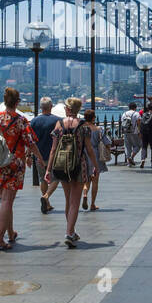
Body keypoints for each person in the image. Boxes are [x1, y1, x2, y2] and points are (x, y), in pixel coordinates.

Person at [0, 87, 44, 251]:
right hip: (14, 164)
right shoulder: (20, 121)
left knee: (6, 200)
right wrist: (39, 158)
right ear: (17, 102)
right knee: (7, 201)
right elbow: (30, 142)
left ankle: (10, 233)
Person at [45, 97, 97, 247]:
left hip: (62, 166)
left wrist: (48, 169)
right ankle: (69, 233)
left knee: (68, 200)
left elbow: (53, 150)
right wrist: (95, 166)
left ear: (67, 109)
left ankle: (71, 231)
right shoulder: (83, 126)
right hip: (79, 167)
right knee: (75, 202)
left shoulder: (59, 124)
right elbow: (89, 149)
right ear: (78, 110)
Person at [30, 98, 61, 213]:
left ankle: (47, 203)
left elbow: (30, 140)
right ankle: (46, 197)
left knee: (42, 179)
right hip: (54, 155)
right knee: (57, 178)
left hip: (39, 155)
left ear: (41, 107)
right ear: (51, 106)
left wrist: (28, 155)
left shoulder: (34, 121)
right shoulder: (57, 121)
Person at [82, 108, 109, 211]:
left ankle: (85, 194)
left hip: (84, 155)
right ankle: (92, 203)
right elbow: (107, 142)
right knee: (95, 181)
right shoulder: (99, 129)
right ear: (94, 118)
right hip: (95, 155)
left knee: (86, 180)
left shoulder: (82, 128)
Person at [139, 99, 152, 168]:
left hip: (144, 133)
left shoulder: (144, 114)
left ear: (148, 108)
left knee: (144, 147)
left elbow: (141, 124)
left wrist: (141, 133)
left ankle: (142, 159)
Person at [120, 101, 141, 166]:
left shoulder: (124, 114)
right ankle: (131, 157)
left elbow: (122, 123)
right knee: (138, 145)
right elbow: (138, 123)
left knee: (127, 147)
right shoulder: (136, 114)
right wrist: (139, 132)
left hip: (126, 132)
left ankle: (129, 163)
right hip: (134, 133)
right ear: (135, 107)